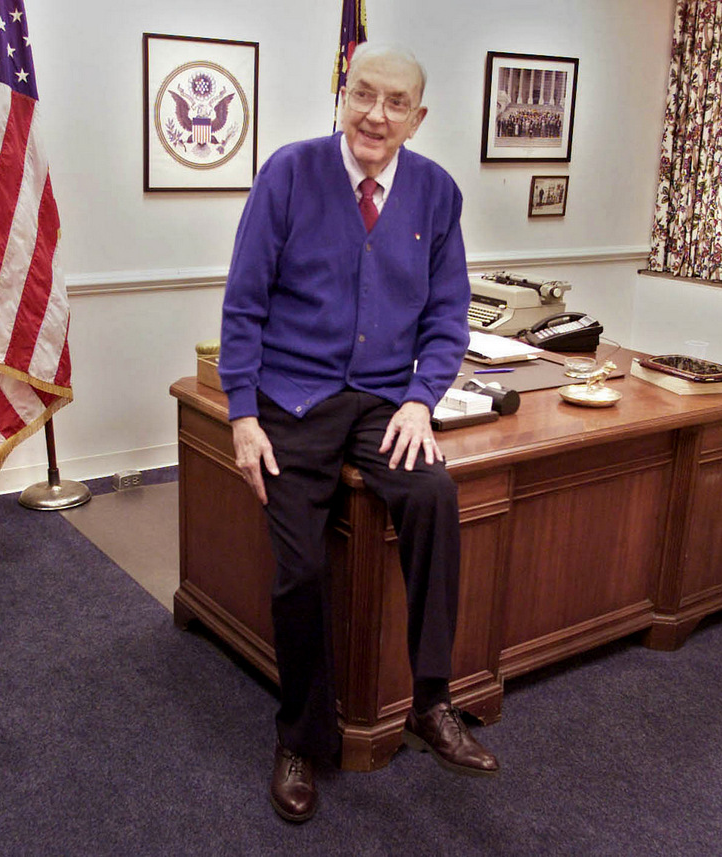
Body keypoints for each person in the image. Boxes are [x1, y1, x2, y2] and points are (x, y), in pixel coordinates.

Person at [218, 42, 499, 823]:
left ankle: (432, 700)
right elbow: (243, 305)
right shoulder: (289, 172)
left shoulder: (437, 193)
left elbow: (447, 316)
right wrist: (243, 414)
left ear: (419, 116)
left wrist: (420, 399)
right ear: (342, 96)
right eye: (363, 95)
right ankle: (301, 735)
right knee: (302, 567)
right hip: (291, 400)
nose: (376, 114)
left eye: (395, 102)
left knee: (435, 493)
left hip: (382, 400)